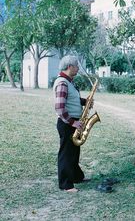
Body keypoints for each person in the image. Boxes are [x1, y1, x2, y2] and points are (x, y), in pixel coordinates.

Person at [53, 55, 91, 192]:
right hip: (68, 123)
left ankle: (76, 177)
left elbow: (70, 98)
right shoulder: (63, 82)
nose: (78, 68)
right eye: (76, 66)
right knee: (66, 153)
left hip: (73, 122)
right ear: (70, 67)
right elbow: (59, 107)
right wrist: (72, 122)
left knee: (74, 152)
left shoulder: (69, 81)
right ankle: (65, 184)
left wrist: (84, 102)